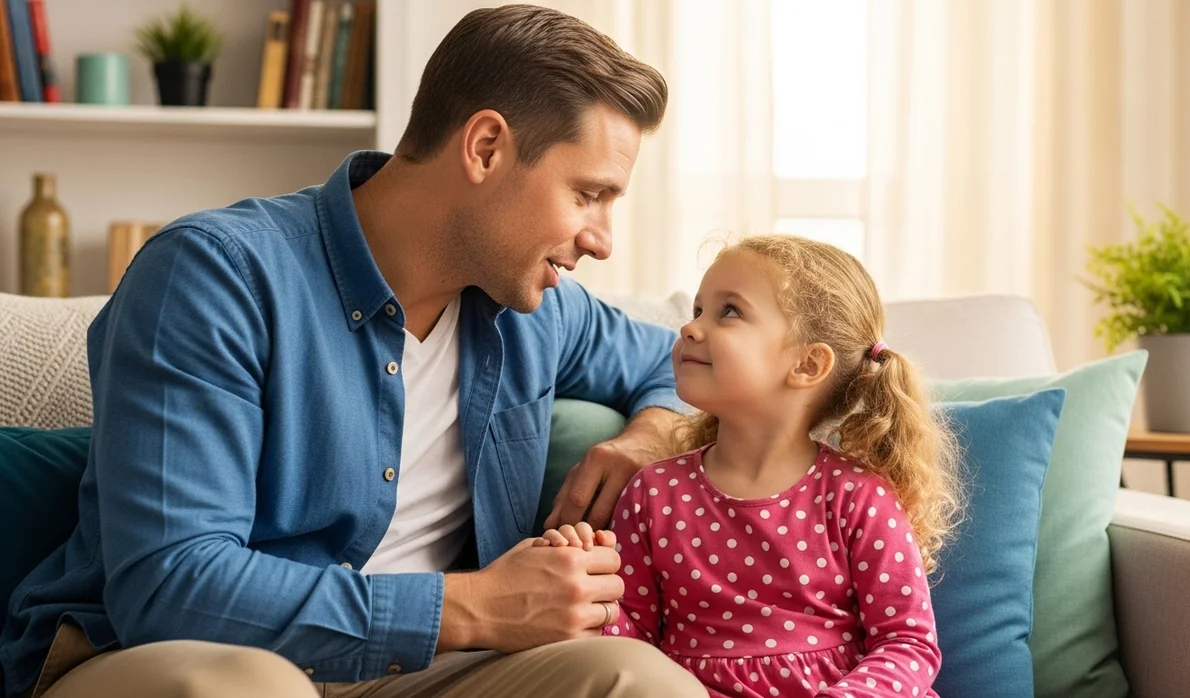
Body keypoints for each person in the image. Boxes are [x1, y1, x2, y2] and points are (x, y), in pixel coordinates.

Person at [0, 5, 708, 698]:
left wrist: (646, 442)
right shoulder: (213, 276)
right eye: (589, 194)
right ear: (486, 147)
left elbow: (673, 366)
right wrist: (474, 606)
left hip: (418, 669)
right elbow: (170, 586)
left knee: (640, 681)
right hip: (168, 658)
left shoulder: (536, 309)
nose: (603, 238)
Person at [539, 235, 963, 697]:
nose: (691, 328)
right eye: (698, 310)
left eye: (729, 312)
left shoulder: (857, 497)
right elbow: (634, 637)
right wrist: (585, 582)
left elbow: (908, 643)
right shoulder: (653, 492)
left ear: (808, 364)